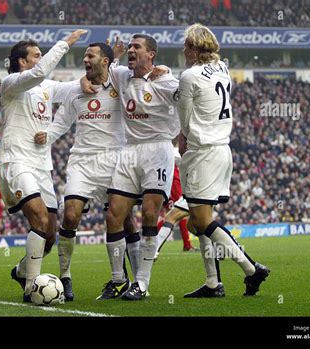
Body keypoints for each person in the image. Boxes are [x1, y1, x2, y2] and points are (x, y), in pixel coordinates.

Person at [35, 42, 138, 301]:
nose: (85, 59)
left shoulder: (120, 81)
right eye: (84, 56)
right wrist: (45, 137)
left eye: (90, 55)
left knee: (123, 220)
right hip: (82, 161)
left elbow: (138, 73)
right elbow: (60, 124)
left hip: (115, 160)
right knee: (69, 216)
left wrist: (157, 69)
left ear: (105, 61)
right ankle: (66, 278)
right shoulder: (76, 91)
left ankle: (133, 280)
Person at [177, 23, 269, 298]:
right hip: (221, 149)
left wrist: (182, 137)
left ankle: (252, 269)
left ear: (193, 48)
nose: (183, 50)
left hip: (203, 152)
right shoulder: (223, 69)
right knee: (198, 221)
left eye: (186, 45)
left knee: (202, 222)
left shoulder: (188, 76)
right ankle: (213, 282)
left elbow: (184, 118)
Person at [0, 29, 88, 302]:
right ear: (22, 61)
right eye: (37, 55)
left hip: (41, 166)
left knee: (49, 234)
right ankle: (30, 289)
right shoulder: (11, 83)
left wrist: (108, 64)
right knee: (37, 217)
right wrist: (65, 44)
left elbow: (75, 86)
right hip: (16, 160)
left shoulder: (46, 88)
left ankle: (22, 270)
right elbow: (38, 74)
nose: (42, 58)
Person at [95, 34, 180, 300]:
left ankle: (142, 283)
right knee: (113, 215)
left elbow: (188, 99)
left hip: (158, 149)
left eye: (137, 47)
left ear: (151, 55)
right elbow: (99, 71)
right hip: (129, 150)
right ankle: (119, 279)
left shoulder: (166, 81)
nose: (132, 50)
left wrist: (170, 71)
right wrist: (116, 53)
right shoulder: (121, 75)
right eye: (131, 47)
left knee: (149, 214)